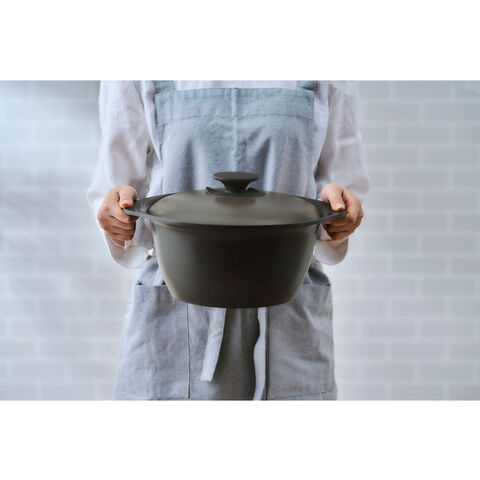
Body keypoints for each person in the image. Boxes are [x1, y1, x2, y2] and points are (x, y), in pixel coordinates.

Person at [87, 81, 369, 400]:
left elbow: (340, 184)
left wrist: (339, 211)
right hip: (178, 311)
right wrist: (117, 217)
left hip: (287, 302)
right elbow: (116, 189)